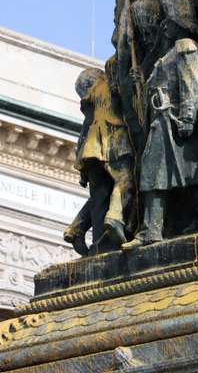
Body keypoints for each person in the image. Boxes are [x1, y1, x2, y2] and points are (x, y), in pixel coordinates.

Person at [123, 0, 198, 250]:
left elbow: (192, 84)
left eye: (166, 20)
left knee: (158, 173)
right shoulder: (168, 52)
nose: (162, 26)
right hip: (163, 121)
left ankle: (152, 229)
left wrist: (187, 118)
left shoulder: (184, 47)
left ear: (175, 19)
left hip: (172, 121)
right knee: (185, 175)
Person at [63, 64, 134, 254]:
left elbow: (84, 133)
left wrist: (81, 167)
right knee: (124, 181)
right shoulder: (111, 86)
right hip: (114, 142)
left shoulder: (88, 102)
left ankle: (88, 237)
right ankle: (113, 219)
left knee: (99, 196)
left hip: (90, 151)